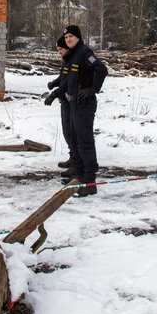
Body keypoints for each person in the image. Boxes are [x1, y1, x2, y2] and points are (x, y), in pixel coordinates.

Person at [60, 25, 107, 197]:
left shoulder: (85, 52)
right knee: (74, 140)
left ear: (78, 37)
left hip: (84, 104)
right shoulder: (72, 54)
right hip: (73, 103)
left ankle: (90, 182)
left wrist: (92, 89)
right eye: (66, 37)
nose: (68, 39)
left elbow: (101, 70)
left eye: (71, 36)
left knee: (85, 142)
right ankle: (79, 178)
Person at [43, 36, 76, 173]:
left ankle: (76, 162)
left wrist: (53, 94)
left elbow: (68, 83)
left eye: (60, 49)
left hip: (70, 101)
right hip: (64, 101)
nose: (59, 52)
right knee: (67, 132)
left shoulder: (72, 61)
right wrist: (54, 83)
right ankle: (72, 157)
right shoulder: (66, 61)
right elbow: (62, 78)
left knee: (72, 134)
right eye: (58, 49)